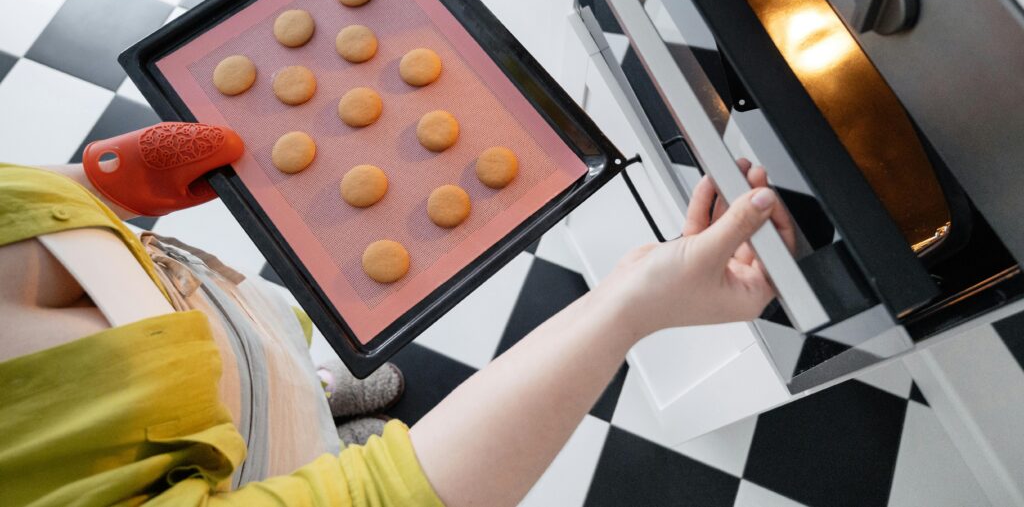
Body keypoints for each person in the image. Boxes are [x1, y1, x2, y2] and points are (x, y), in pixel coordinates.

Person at [0, 122, 793, 506]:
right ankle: (315, 441)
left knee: (289, 362)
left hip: (210, 319)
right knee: (320, 458)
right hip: (252, 471)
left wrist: (104, 181)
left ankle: (313, 391)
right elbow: (388, 496)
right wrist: (629, 302)